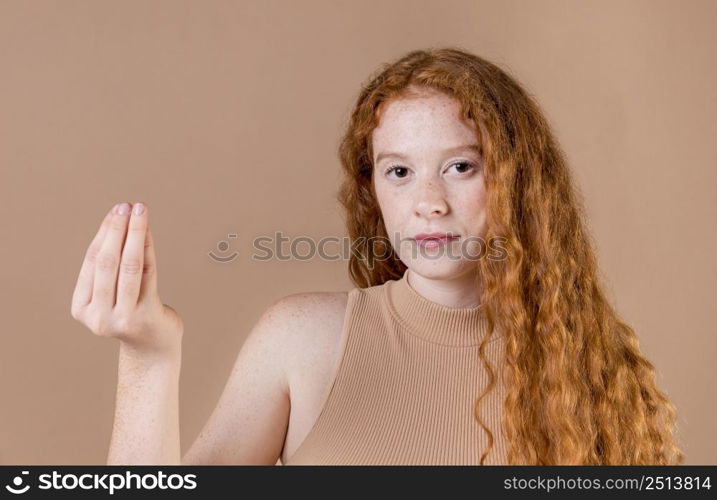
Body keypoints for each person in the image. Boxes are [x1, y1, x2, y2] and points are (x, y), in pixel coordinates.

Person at [70, 47, 684, 465]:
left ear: (521, 182)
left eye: (461, 167)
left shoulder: (595, 373)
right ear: (373, 192)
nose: (428, 204)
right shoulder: (302, 339)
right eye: (399, 171)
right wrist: (149, 357)